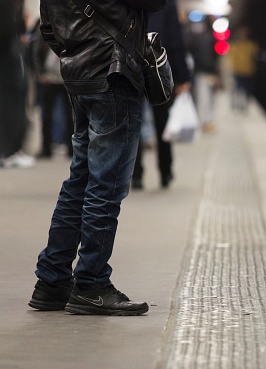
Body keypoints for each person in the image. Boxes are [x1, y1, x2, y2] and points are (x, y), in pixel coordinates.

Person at [28, 0, 166, 315]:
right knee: (106, 185)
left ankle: (52, 280)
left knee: (81, 179)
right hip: (114, 76)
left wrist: (75, 57)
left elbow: (48, 27)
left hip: (80, 79)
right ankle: (91, 284)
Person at [132, 0, 192, 190]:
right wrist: (182, 76)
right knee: (163, 120)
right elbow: (175, 40)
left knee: (134, 123)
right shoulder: (167, 4)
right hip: (158, 67)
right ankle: (165, 171)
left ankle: (136, 175)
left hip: (132, 65)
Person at [0, 0, 35, 169]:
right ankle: (8, 150)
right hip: (7, 58)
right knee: (10, 102)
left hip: (10, 55)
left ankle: (10, 149)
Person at [32, 36, 74, 158]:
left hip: (67, 78)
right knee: (46, 115)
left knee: (71, 116)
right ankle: (46, 149)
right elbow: (36, 51)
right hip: (48, 78)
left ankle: (72, 149)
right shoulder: (43, 28)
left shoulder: (70, 25)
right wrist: (41, 73)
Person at [186, 16, 221, 133]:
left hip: (198, 71)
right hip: (209, 71)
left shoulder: (196, 37)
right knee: (208, 98)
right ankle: (206, 122)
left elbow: (190, 51)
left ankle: (201, 122)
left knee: (201, 97)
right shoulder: (212, 38)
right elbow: (216, 57)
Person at [229, 26, 259, 112]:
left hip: (248, 71)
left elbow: (255, 55)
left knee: (247, 89)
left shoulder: (251, 45)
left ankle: (245, 106)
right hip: (237, 71)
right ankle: (235, 106)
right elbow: (230, 56)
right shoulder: (235, 45)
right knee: (236, 89)